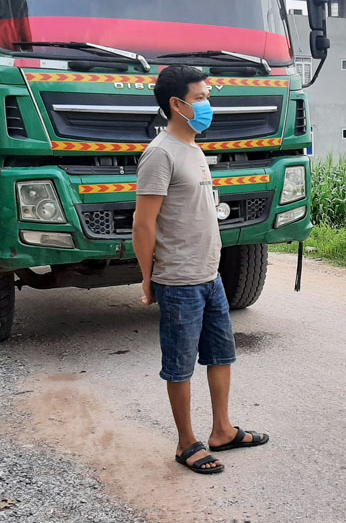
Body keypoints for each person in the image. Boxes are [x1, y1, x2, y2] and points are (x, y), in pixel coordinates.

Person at [132, 64, 269, 475]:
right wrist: (148, 276)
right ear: (177, 104)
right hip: (179, 280)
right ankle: (185, 442)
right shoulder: (160, 153)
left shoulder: (193, 148)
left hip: (210, 277)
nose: (209, 105)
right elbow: (144, 223)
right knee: (180, 364)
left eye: (208, 96)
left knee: (221, 355)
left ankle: (223, 430)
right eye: (202, 98)